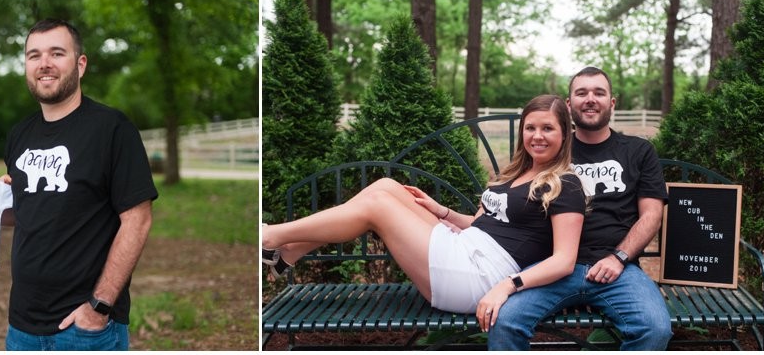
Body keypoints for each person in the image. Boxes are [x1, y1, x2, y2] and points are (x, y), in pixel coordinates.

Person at [262, 94, 585, 330]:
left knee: (378, 206)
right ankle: (286, 254)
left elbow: (563, 261)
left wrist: (508, 286)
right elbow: (481, 224)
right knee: (386, 187)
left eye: (547, 129)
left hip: (481, 278)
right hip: (468, 249)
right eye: (531, 128)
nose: (537, 136)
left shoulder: (565, 184)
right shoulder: (514, 175)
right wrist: (441, 211)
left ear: (563, 135)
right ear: (522, 132)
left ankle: (270, 236)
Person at [0, 19, 158, 351]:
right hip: (22, 325)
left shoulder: (112, 130)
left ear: (80, 64)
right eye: (33, 55)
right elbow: (28, 211)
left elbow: (137, 221)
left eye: (57, 53)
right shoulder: (20, 135)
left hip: (85, 329)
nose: (44, 63)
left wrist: (100, 306)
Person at [487, 67, 672, 350]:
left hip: (618, 271)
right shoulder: (551, 147)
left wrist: (618, 257)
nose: (590, 99)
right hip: (556, 267)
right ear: (568, 104)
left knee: (655, 328)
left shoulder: (637, 151)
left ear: (612, 102)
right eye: (581, 92)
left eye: (599, 92)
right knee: (504, 321)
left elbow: (652, 214)